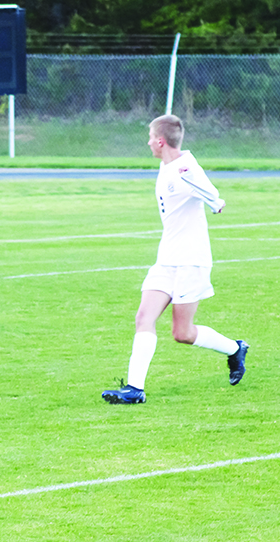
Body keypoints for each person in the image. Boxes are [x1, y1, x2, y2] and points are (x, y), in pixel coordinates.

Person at [102, 114, 248, 404]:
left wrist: (215, 202)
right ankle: (134, 389)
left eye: (149, 137)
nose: (147, 142)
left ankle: (234, 349)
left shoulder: (184, 168)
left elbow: (212, 194)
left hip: (191, 260)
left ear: (159, 141)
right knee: (144, 317)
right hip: (166, 258)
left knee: (182, 333)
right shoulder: (168, 163)